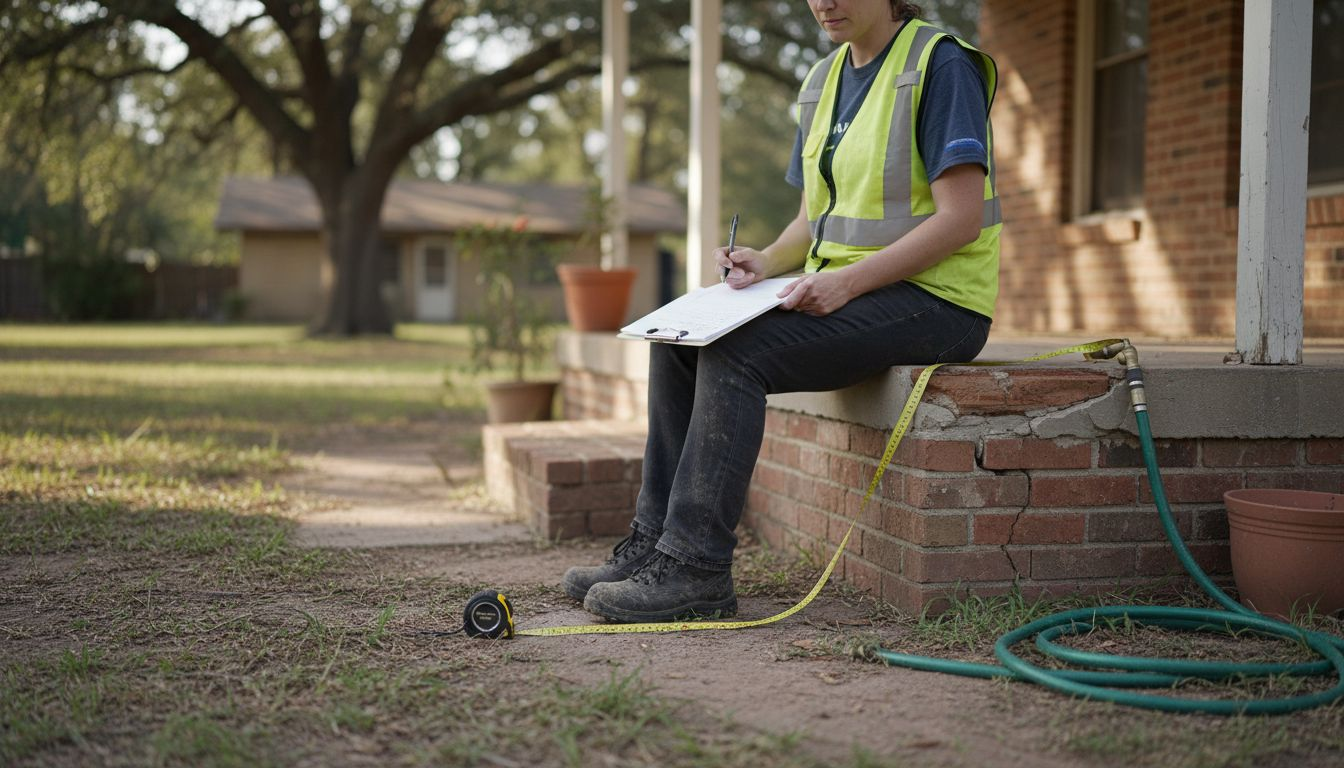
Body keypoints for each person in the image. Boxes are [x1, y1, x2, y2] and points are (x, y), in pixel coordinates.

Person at [563, 0, 1001, 623]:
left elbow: (959, 222)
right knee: (681, 337)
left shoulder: (940, 65)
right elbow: (811, 220)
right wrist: (766, 261)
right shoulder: (823, 79)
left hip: (940, 302)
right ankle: (653, 545)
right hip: (860, 290)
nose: (825, 1)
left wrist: (846, 284)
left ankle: (697, 570)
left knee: (740, 352)